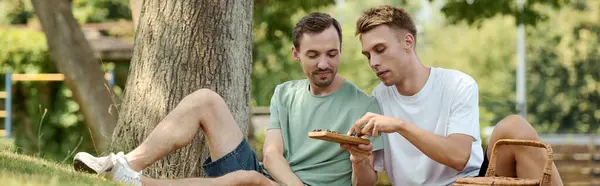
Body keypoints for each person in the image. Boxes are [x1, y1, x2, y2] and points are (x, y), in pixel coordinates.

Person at [72, 12, 383, 186]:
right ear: (296, 54)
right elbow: (273, 155)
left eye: (331, 54)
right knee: (205, 99)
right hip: (276, 180)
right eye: (313, 55)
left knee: (250, 179)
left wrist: (358, 159)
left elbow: (365, 184)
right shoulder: (285, 93)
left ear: (341, 51)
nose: (323, 64)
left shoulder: (364, 106)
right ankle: (126, 164)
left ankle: (136, 183)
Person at [341, 5, 564, 186]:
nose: (373, 62)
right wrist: (359, 160)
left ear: (408, 42)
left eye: (380, 50)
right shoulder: (377, 99)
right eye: (367, 55)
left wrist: (400, 125)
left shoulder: (457, 84)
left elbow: (458, 157)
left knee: (515, 127)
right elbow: (364, 183)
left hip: (472, 182)